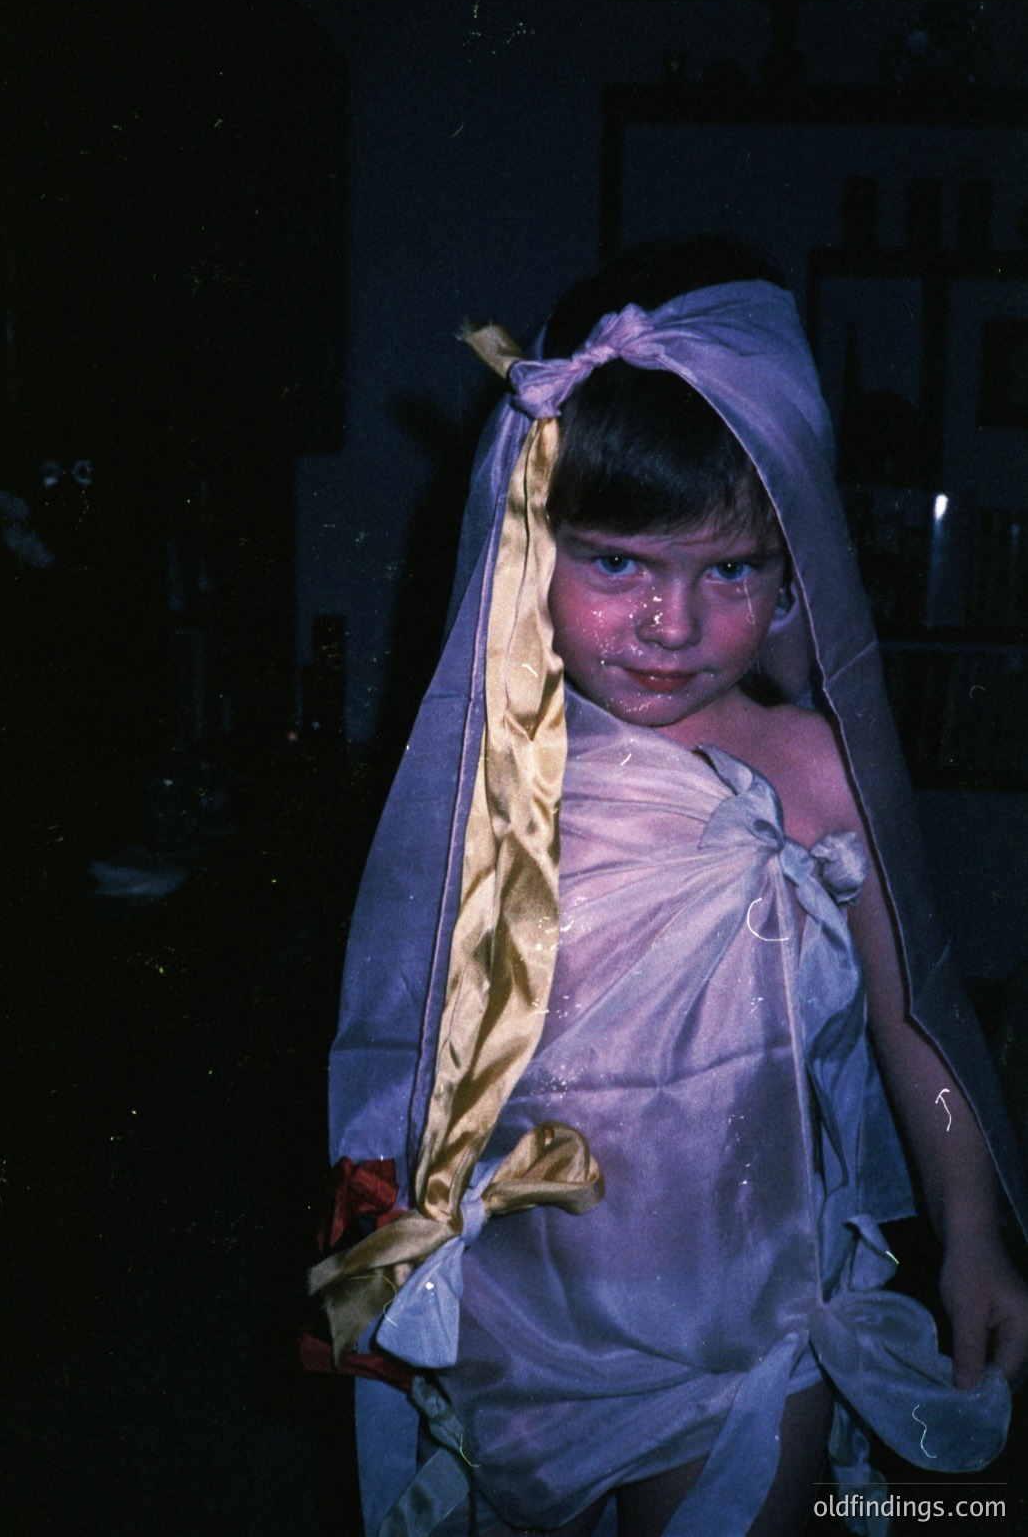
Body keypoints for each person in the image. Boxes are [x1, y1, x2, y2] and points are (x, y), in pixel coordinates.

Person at [308, 239, 1028, 1537]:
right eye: (618, 564)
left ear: (796, 570)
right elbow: (416, 1042)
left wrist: (967, 1231)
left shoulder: (812, 771)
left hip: (752, 1323)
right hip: (524, 1309)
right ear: (531, 553)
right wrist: (380, 1240)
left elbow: (908, 1015)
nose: (671, 625)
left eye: (730, 572)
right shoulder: (490, 771)